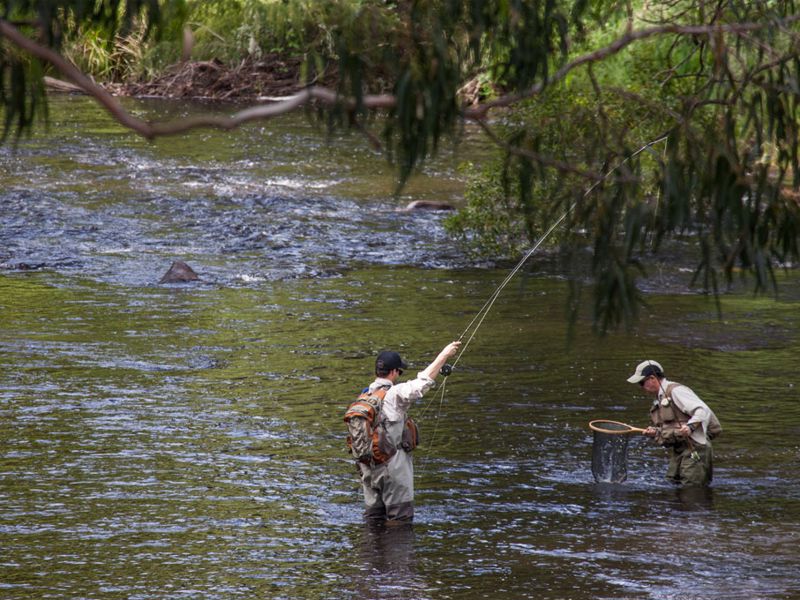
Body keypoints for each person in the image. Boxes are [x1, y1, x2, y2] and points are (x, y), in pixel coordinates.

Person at [355, 341, 461, 522]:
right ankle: (396, 551)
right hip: (392, 468)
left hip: (367, 467)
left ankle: (368, 550)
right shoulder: (395, 395)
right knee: (400, 522)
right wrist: (443, 356)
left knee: (373, 520)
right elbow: (423, 382)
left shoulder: (364, 396)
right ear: (395, 372)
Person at [627, 359, 717, 487]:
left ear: (652, 378)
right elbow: (673, 426)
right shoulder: (660, 398)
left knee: (692, 490)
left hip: (695, 447)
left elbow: (702, 410)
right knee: (673, 484)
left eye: (642, 383)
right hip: (680, 448)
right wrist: (656, 432)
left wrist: (690, 427)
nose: (641, 387)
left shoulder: (676, 391)